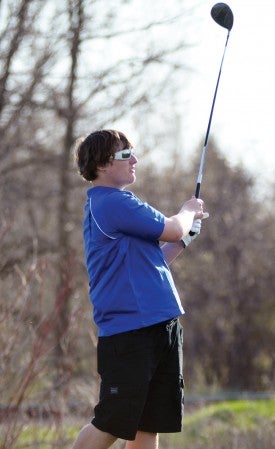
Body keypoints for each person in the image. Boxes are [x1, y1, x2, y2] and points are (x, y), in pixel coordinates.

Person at [72, 129, 207, 449]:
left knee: (150, 424)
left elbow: (155, 261)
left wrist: (186, 238)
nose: (134, 160)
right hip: (130, 331)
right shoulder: (113, 202)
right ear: (103, 165)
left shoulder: (118, 208)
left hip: (162, 323)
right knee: (113, 422)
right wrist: (189, 211)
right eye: (124, 155)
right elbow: (173, 228)